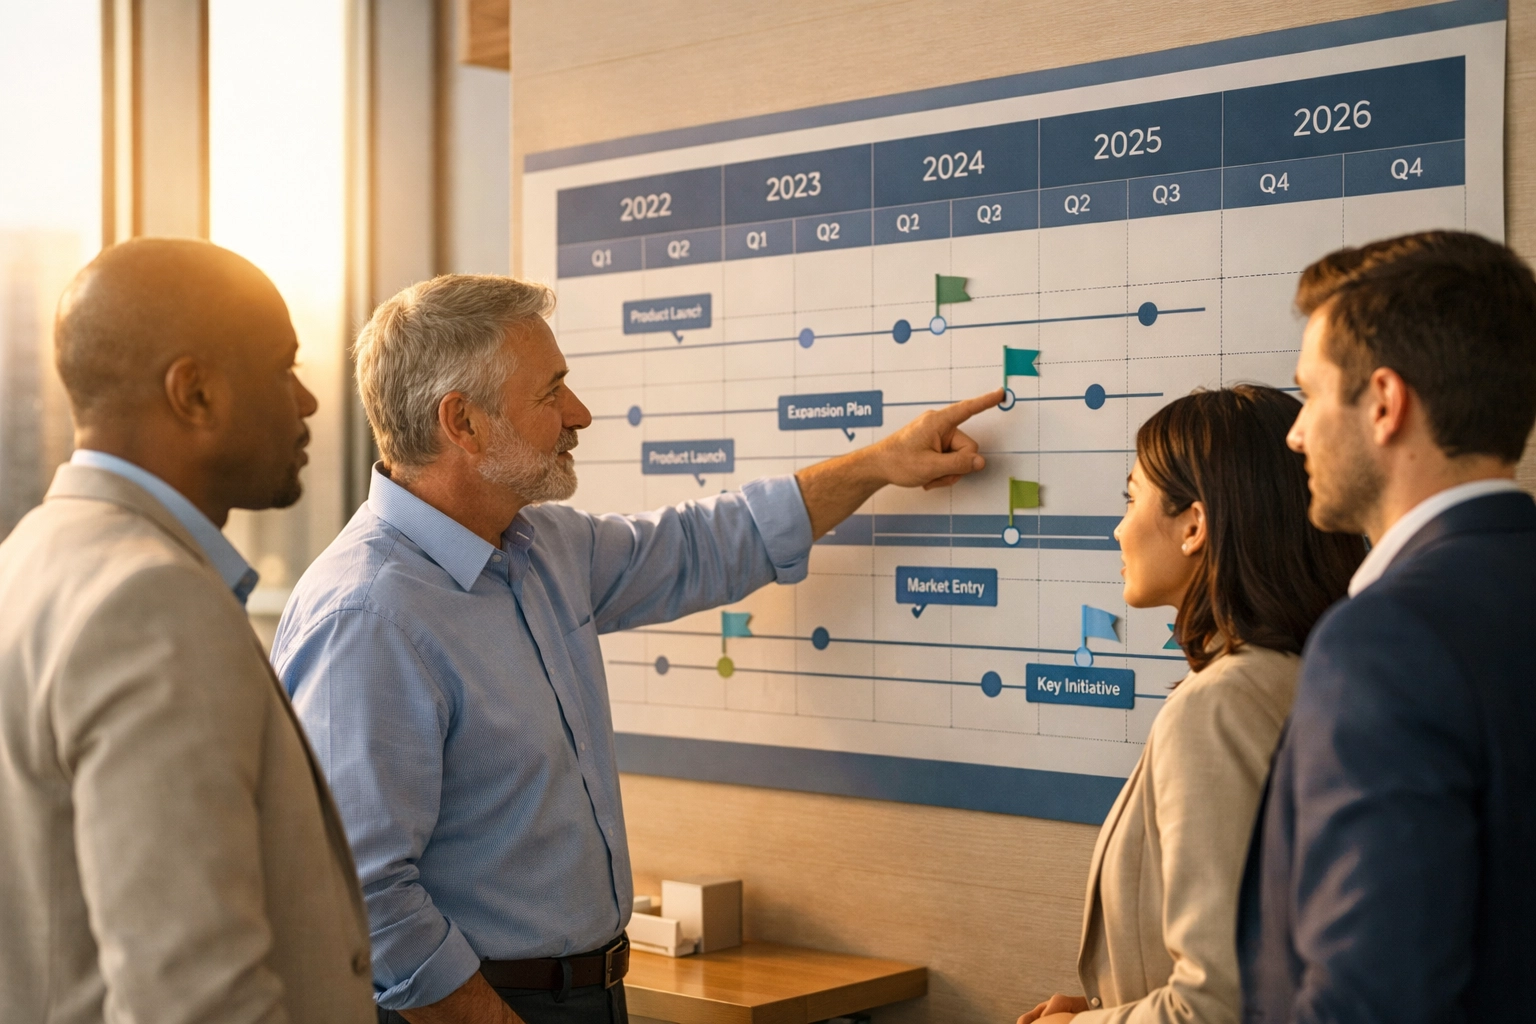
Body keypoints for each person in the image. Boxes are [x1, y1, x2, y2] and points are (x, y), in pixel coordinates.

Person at [272, 273, 999, 1024]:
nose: (579, 414)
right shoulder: (369, 615)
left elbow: (704, 544)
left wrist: (879, 463)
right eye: (551, 392)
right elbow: (363, 893)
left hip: (591, 995)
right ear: (464, 422)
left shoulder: (542, 549)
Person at [0, 238, 374, 1024]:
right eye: (284, 368)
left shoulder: (29, 555)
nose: (307, 402)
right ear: (195, 393)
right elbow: (196, 1000)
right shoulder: (152, 601)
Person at [1237, 231, 1536, 1022]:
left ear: (1383, 403)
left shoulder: (1383, 642)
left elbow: (1372, 1001)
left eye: (1309, 395)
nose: (1295, 433)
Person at [1018, 386, 1363, 1024]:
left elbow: (1215, 1005)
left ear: (1194, 526)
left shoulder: (1219, 707)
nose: (1119, 528)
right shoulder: (1314, 674)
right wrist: (1119, 1005)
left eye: (1131, 499)